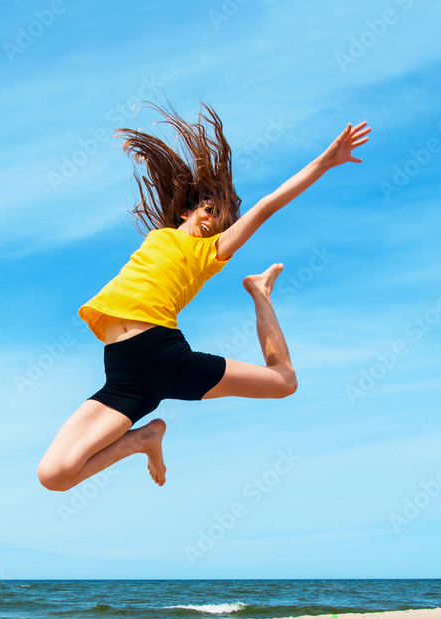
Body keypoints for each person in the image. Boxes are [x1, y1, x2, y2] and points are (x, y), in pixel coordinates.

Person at [38, 100, 370, 491]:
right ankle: (143, 440)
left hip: (163, 354)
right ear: (187, 212)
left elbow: (265, 208)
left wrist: (325, 162)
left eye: (222, 219)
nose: (214, 217)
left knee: (285, 383)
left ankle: (259, 292)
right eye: (209, 208)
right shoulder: (160, 236)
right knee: (53, 476)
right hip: (124, 374)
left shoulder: (209, 252)